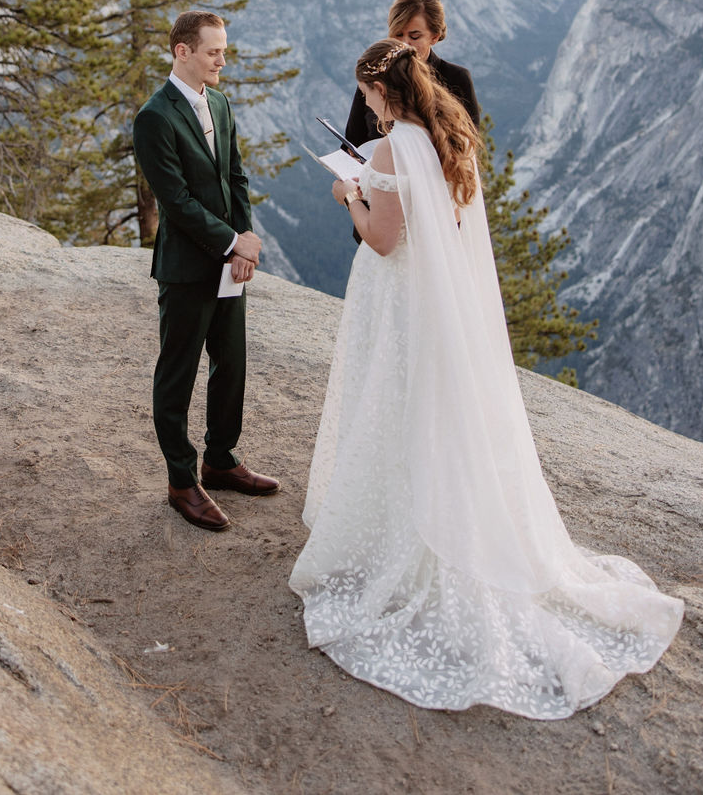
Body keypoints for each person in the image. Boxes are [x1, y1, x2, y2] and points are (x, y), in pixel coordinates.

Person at [290, 40, 683, 717]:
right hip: (444, 309)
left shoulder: (389, 151)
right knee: (433, 421)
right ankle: (442, 519)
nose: (366, 104)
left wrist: (348, 192)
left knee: (396, 410)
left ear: (385, 90)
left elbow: (382, 238)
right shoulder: (450, 136)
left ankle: (409, 543)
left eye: (369, 93)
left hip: (403, 303)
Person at [133, 10, 280, 533]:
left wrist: (242, 243)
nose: (223, 59)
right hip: (186, 268)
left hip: (227, 263)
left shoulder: (218, 101)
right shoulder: (155, 117)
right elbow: (174, 201)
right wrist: (229, 241)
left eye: (223, 49)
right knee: (177, 373)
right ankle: (181, 479)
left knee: (231, 364)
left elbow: (234, 175)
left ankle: (221, 459)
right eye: (214, 50)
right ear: (182, 52)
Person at [344, 0, 479, 150]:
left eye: (415, 36)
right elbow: (352, 142)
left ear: (434, 37)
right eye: (398, 35)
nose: (404, 43)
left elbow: (466, 149)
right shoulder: (374, 75)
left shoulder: (456, 78)